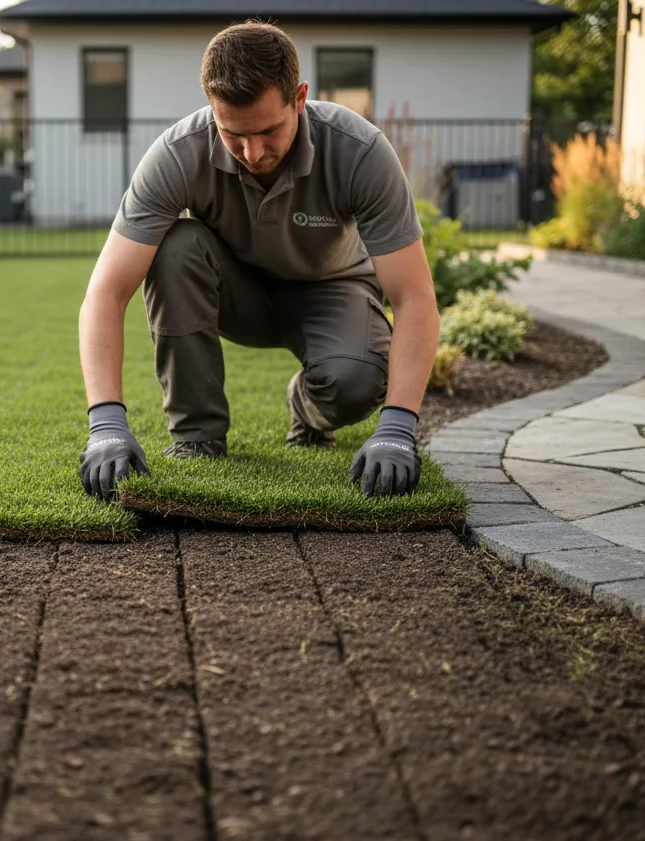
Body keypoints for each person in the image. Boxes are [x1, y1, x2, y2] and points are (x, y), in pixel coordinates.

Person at [77, 21, 439, 502]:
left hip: (330, 290)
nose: (253, 152)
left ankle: (306, 405)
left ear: (300, 97)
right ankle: (197, 437)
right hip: (234, 291)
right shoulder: (177, 153)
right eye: (233, 135)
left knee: (355, 382)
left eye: (269, 131)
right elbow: (106, 290)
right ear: (212, 109)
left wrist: (397, 427)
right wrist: (105, 422)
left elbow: (414, 298)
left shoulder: (360, 152)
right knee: (176, 243)